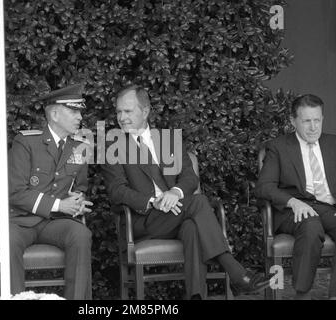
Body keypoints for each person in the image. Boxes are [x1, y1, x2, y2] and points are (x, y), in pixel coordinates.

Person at [100, 85, 271, 299]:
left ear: (145, 112)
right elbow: (117, 190)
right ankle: (237, 274)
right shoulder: (113, 145)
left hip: (178, 215)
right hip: (143, 219)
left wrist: (175, 192)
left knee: (192, 228)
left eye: (128, 111)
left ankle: (196, 295)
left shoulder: (168, 139)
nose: (121, 117)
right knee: (198, 203)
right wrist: (154, 201)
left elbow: (189, 177)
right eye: (118, 111)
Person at [256, 94, 336, 300]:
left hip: (329, 208)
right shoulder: (278, 147)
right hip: (293, 209)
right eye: (307, 121)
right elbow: (263, 187)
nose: (313, 127)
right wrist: (292, 202)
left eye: (317, 120)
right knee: (311, 224)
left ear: (322, 119)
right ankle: (302, 294)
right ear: (292, 121)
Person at [8, 83, 93, 299]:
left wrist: (79, 199)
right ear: (54, 114)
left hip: (55, 222)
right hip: (21, 221)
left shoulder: (80, 146)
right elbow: (16, 192)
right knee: (8, 240)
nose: (79, 117)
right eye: (73, 111)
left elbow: (80, 186)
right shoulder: (26, 142)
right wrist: (59, 205)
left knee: (81, 234)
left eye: (80, 112)